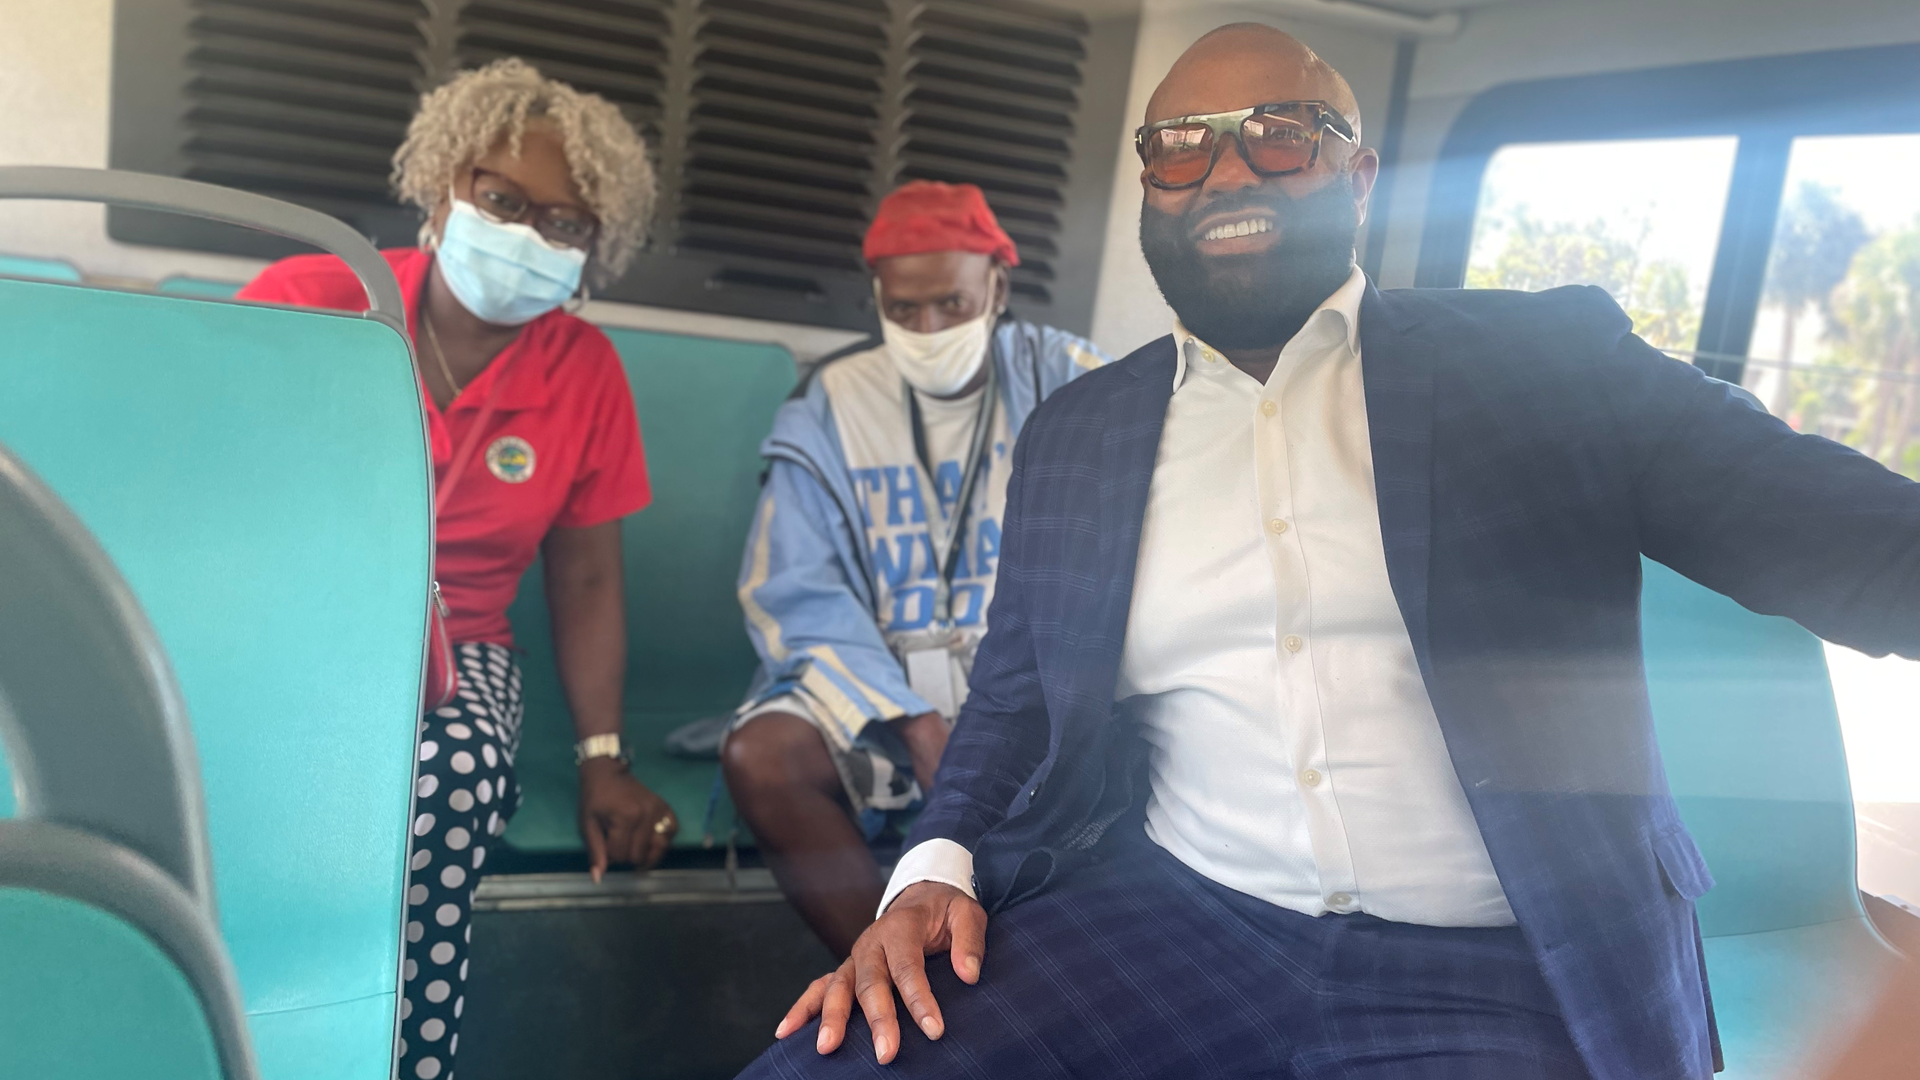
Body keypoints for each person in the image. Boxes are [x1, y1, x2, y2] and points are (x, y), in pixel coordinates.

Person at [742, 24, 1920, 1080]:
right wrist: (930, 870)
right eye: (1183, 147)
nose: (1228, 172)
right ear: (1152, 184)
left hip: (1506, 958)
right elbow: (1012, 695)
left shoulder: (1547, 367)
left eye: (1281, 135)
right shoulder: (1082, 433)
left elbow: (1864, 546)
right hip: (1177, 920)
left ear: (1358, 173)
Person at [238, 58, 675, 1080]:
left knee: (449, 779)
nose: (527, 234)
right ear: (445, 185)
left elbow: (587, 582)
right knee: (243, 785)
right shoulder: (315, 296)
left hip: (460, 642)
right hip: (278, 635)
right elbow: (202, 480)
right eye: (503, 200)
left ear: (593, 247)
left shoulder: (585, 371)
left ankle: (396, 1058)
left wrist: (601, 754)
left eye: (564, 223)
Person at [716, 181, 1108, 959]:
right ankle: (888, 975)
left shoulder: (1075, 381)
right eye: (904, 310)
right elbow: (793, 589)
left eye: (951, 307)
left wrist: (1003, 707)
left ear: (996, 287)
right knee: (762, 756)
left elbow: (1118, 560)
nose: (927, 328)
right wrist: (913, 718)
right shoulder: (829, 398)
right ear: (877, 299)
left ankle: (1017, 978)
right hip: (881, 694)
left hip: (1030, 685)